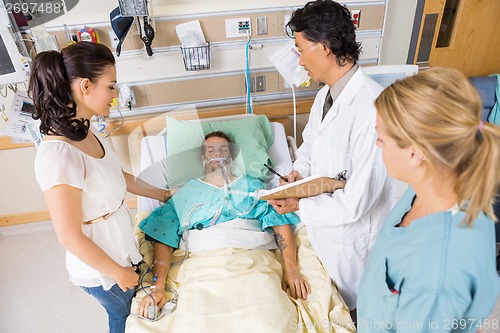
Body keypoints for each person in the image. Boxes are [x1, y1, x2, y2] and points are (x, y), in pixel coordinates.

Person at [29, 42, 171, 333]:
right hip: (101, 271)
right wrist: (119, 273)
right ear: (85, 86)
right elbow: (68, 237)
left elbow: (119, 176)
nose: (116, 95)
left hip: (120, 249)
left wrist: (163, 194)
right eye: (111, 86)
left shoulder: (87, 129)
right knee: (123, 319)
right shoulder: (58, 155)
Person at [267, 0, 395, 315]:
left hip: (353, 246)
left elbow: (355, 203)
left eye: (300, 48)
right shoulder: (326, 94)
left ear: (324, 47)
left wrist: (299, 204)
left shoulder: (372, 109)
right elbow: (311, 145)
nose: (298, 60)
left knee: (358, 313)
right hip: (325, 236)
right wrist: (297, 176)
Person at [357, 67, 500, 332]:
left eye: (381, 138)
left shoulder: (437, 272)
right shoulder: (430, 187)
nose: (377, 145)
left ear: (414, 153)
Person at [137, 131, 311, 319]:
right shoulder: (186, 192)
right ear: (203, 157)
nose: (218, 154)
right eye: (211, 150)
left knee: (269, 315)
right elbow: (165, 237)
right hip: (202, 266)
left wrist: (292, 271)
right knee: (199, 318)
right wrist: (157, 287)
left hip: (251, 261)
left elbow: (280, 223)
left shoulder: (252, 186)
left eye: (223, 149)